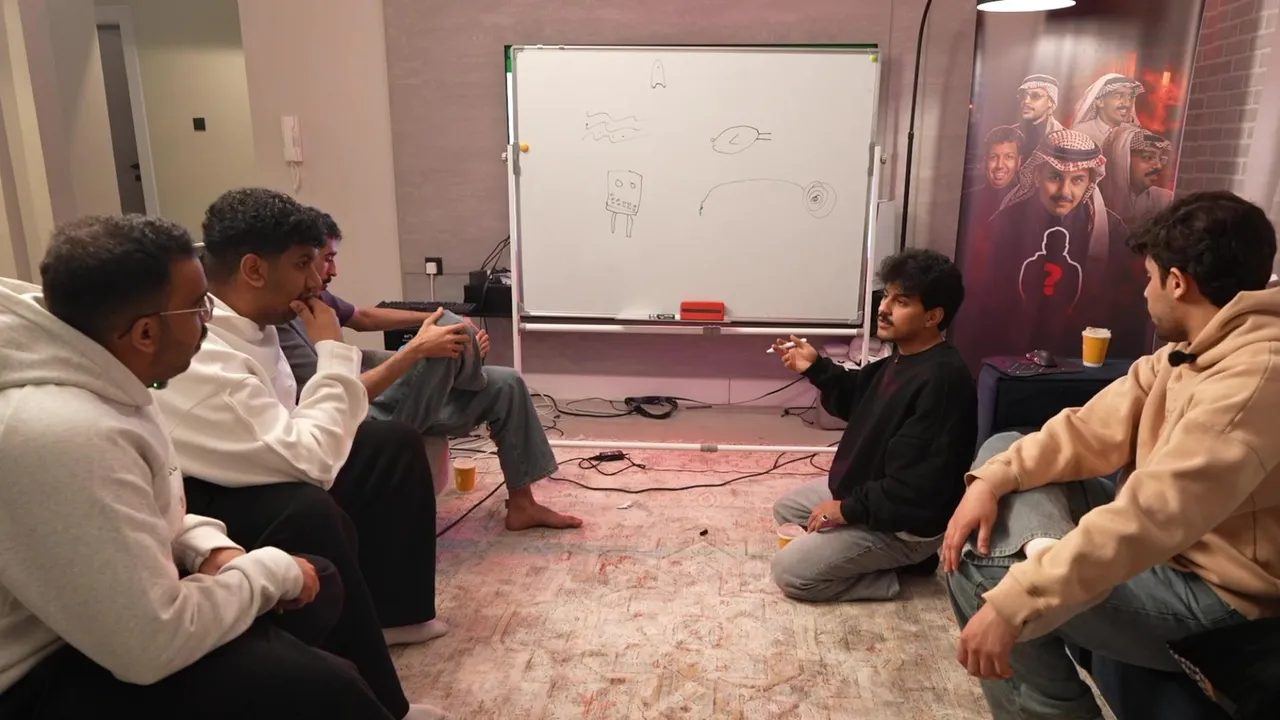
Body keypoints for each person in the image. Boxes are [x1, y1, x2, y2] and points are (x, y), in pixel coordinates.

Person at [0, 215, 442, 719]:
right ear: (145, 332)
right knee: (323, 684)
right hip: (39, 672)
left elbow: (149, 505)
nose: (208, 323)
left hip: (101, 627)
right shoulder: (62, 433)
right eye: (198, 307)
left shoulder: (110, 374)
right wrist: (265, 572)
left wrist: (210, 548)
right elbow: (148, 643)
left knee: (319, 583)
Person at [942, 190, 1280, 720]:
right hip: (1170, 550)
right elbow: (1087, 430)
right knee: (1006, 449)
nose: (1145, 292)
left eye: (1149, 278)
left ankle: (1044, 571)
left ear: (1177, 283)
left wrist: (1021, 596)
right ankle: (1047, 551)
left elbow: (1150, 516)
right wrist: (989, 481)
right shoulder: (1191, 349)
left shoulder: (1255, 378)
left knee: (981, 569)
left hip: (1215, 598)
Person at [151, 189, 447, 652]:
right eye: (303, 263)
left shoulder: (260, 322)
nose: (315, 280)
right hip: (202, 494)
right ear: (254, 270)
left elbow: (294, 420)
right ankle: (363, 671)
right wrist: (332, 351)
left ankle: (395, 614)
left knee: (389, 444)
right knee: (309, 508)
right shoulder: (209, 356)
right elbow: (312, 464)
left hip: (264, 457)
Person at [275, 207, 581, 531]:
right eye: (324, 259)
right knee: (451, 332)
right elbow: (335, 401)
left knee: (505, 381)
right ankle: (468, 364)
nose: (331, 271)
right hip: (361, 419)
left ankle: (523, 505)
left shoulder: (316, 298)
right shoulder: (276, 323)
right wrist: (421, 348)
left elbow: (363, 317)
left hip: (381, 399)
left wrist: (431, 318)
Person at [769, 249, 978, 602]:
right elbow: (858, 398)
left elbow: (913, 489)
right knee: (787, 510)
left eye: (901, 301)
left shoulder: (943, 381)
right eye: (886, 296)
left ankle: (895, 572)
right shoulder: (902, 358)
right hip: (875, 494)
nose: (884, 308)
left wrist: (845, 510)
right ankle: (885, 556)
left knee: (791, 573)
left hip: (904, 526)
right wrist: (816, 368)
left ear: (933, 316)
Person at [1070, 73, 1145, 147]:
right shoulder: (1080, 133)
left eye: (1130, 97)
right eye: (1118, 96)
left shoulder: (1135, 135)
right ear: (1100, 101)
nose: (1127, 103)